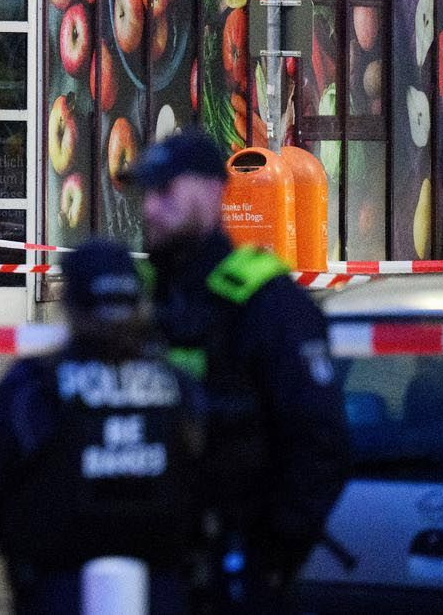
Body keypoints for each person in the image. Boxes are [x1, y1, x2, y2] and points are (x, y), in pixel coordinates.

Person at [134, 133, 350, 614]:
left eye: (166, 192)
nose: (150, 208)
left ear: (214, 192)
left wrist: (271, 554)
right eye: (146, 193)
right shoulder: (135, 303)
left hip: (232, 568)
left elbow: (319, 442)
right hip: (142, 571)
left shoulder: (265, 302)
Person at [0, 238, 204, 615]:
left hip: (58, 589)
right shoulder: (179, 386)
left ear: (69, 304)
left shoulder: (35, 387)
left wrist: (26, 544)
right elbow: (223, 480)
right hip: (164, 588)